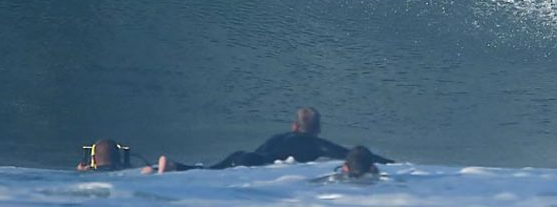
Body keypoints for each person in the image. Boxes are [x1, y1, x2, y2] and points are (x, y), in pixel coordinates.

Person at [148, 106, 392, 173]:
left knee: (207, 171)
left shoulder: (279, 136)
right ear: (317, 128)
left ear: (294, 126)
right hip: (253, 164)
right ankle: (171, 168)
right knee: (208, 174)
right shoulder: (316, 143)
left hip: (244, 155)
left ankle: (172, 166)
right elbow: (348, 154)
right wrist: (391, 162)